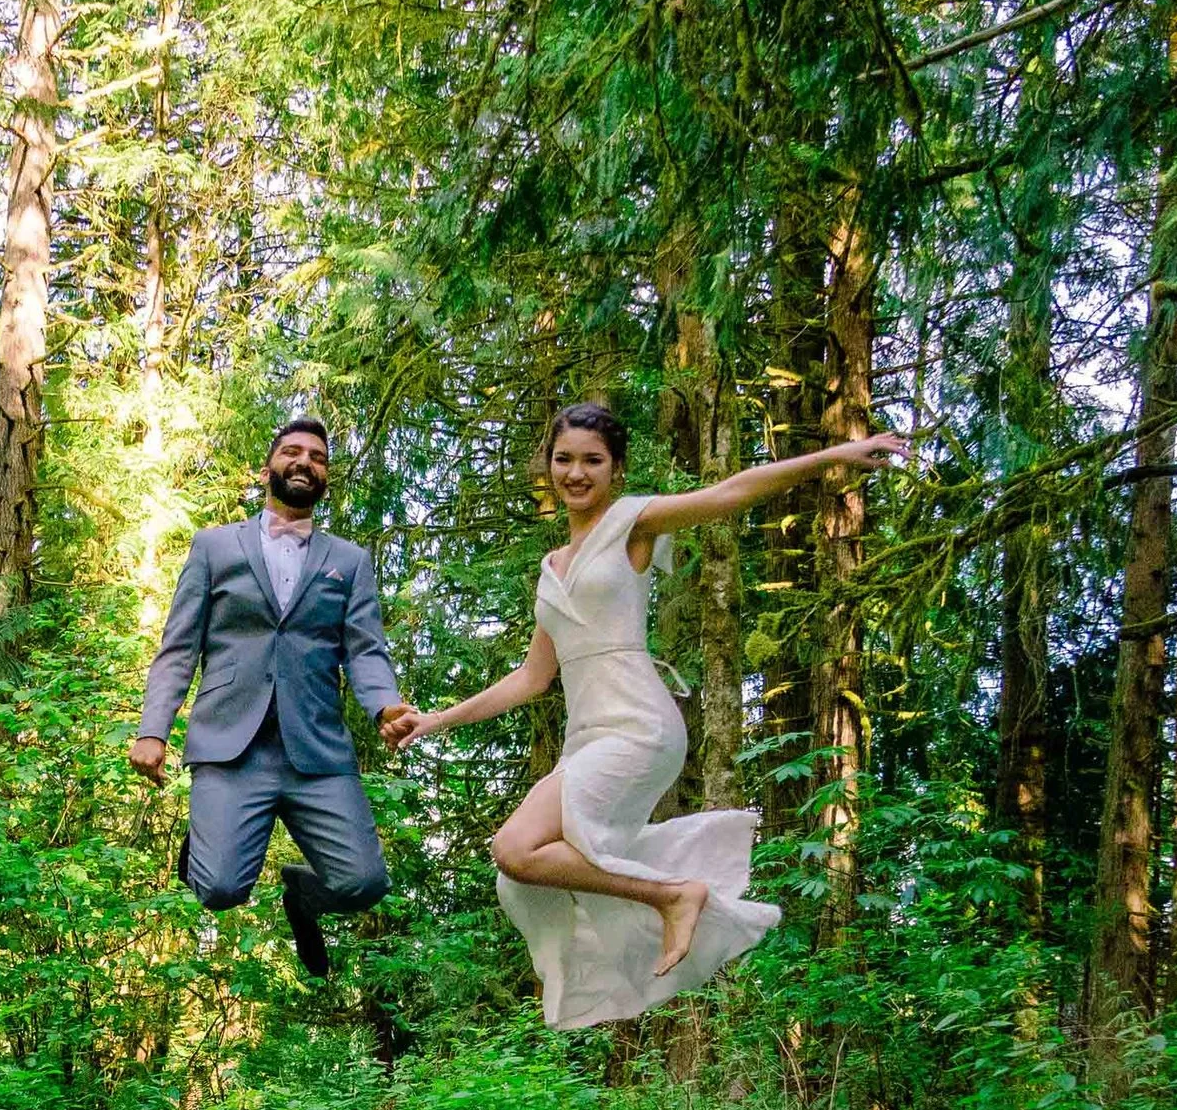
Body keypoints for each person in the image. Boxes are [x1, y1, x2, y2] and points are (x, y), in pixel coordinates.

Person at [386, 403, 909, 1029]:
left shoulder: (632, 524)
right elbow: (533, 678)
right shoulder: (551, 569)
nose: (575, 473)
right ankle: (669, 898)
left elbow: (729, 492)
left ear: (616, 470)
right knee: (522, 871)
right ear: (546, 464)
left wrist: (831, 457)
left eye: (592, 461)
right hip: (588, 737)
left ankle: (673, 896)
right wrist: (435, 720)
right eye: (563, 459)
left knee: (514, 847)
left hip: (640, 725)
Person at [132, 418, 416, 977]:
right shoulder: (214, 547)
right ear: (269, 470)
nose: (305, 462)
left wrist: (387, 705)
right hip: (230, 746)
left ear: (325, 477)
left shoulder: (349, 562)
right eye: (292, 452)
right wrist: (153, 729)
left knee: (364, 882)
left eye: (317, 456)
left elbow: (364, 649)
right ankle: (209, 835)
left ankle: (302, 896)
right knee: (217, 889)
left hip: (315, 751)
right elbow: (179, 647)